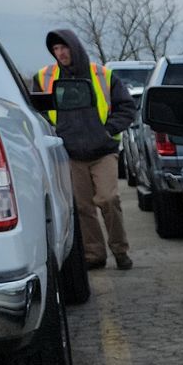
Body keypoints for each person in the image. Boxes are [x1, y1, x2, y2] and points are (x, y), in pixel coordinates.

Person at [33, 29, 136, 270]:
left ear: (74, 47)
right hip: (70, 154)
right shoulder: (44, 77)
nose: (60, 53)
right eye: (56, 49)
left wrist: (108, 130)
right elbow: (37, 112)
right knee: (82, 207)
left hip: (103, 151)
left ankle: (120, 250)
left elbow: (127, 108)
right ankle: (94, 254)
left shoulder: (102, 75)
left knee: (108, 199)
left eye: (64, 47)